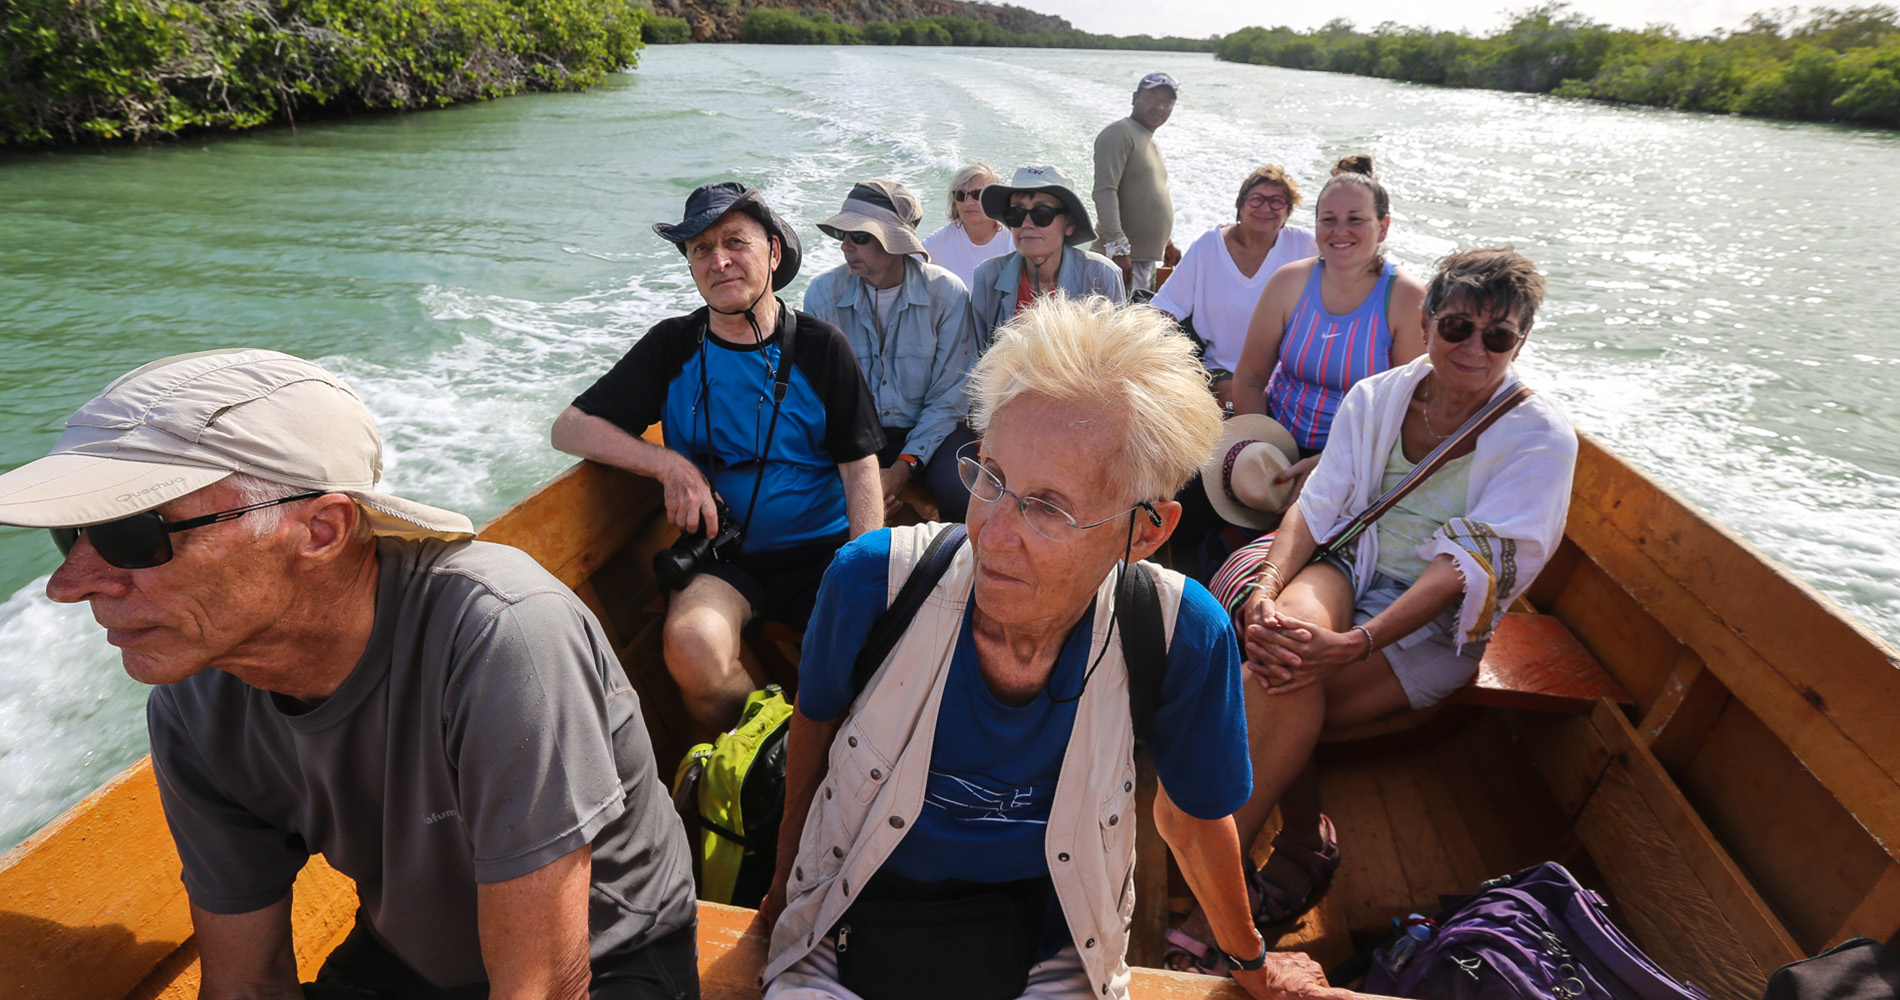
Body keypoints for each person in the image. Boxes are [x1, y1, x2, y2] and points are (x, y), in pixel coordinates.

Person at [0, 349, 700, 999]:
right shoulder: (196, 695)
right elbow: (246, 980)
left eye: (132, 535)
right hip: (411, 955)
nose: (70, 584)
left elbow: (543, 985)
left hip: (609, 956)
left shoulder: (502, 633)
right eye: (74, 535)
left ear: (321, 531)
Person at [758, 296, 1352, 1000]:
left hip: (1053, 941)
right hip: (850, 921)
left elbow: (1192, 824)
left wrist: (1251, 967)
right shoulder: (873, 583)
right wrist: (779, 891)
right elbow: (814, 736)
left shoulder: (1178, 631)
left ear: (1148, 531)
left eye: (1047, 507)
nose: (995, 533)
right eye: (992, 479)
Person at [1216, 247, 1577, 933]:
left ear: (1520, 342)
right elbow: (1318, 508)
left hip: (1437, 615)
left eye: (1497, 336)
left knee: (1280, 676)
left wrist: (1355, 643)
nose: (1473, 348)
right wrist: (1268, 586)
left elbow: (1464, 571)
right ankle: (1243, 872)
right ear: (1429, 321)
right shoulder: (1379, 396)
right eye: (1456, 327)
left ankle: (1253, 866)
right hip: (1351, 564)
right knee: (1283, 650)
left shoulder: (1540, 437)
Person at [553, 182, 885, 735]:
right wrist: (668, 465)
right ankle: (765, 763)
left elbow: (859, 469)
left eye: (736, 241)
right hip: (722, 557)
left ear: (773, 253)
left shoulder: (822, 347)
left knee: (881, 651)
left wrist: (863, 571)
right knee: (692, 646)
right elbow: (570, 428)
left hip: (823, 553)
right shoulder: (672, 346)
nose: (719, 260)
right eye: (700, 249)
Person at [1230, 155, 1427, 507]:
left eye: (1356, 220)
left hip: (1361, 460)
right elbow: (1248, 376)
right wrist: (1267, 452)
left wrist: (1330, 466)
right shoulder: (1288, 282)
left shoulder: (1406, 299)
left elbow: (1411, 411)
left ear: (1383, 227)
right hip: (1275, 446)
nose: (1340, 232)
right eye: (1328, 220)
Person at [803, 178, 980, 522]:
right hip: (852, 433)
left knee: (966, 498)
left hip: (932, 429)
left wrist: (904, 468)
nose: (846, 247)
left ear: (894, 243)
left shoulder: (946, 295)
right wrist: (862, 472)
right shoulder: (822, 296)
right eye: (844, 235)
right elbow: (821, 400)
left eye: (860, 236)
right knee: (802, 494)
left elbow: (949, 398)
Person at [1151, 165, 1318, 409]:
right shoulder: (1208, 247)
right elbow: (1164, 310)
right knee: (1240, 405)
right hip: (1225, 371)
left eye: (1277, 201)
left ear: (1288, 211)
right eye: (1256, 199)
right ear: (1240, 205)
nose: (1265, 208)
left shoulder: (1305, 245)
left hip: (1291, 373)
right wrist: (1178, 365)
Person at [968, 165, 1125, 351]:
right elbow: (976, 360)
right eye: (1015, 214)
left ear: (1069, 224)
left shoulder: (1102, 276)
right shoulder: (987, 276)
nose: (1026, 224)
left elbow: (1115, 359)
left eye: (1042, 214)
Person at [1092, 71, 1182, 294]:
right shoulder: (1119, 133)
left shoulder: (1150, 142)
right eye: (1152, 98)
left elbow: (1143, 195)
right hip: (1121, 261)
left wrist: (1167, 243)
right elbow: (1105, 191)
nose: (1159, 107)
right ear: (1135, 97)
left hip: (1143, 259)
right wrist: (1117, 248)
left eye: (1167, 101)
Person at [922, 163, 1015, 290]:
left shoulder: (1014, 240)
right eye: (961, 195)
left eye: (978, 195)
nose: (969, 202)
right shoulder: (940, 241)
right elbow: (905, 268)